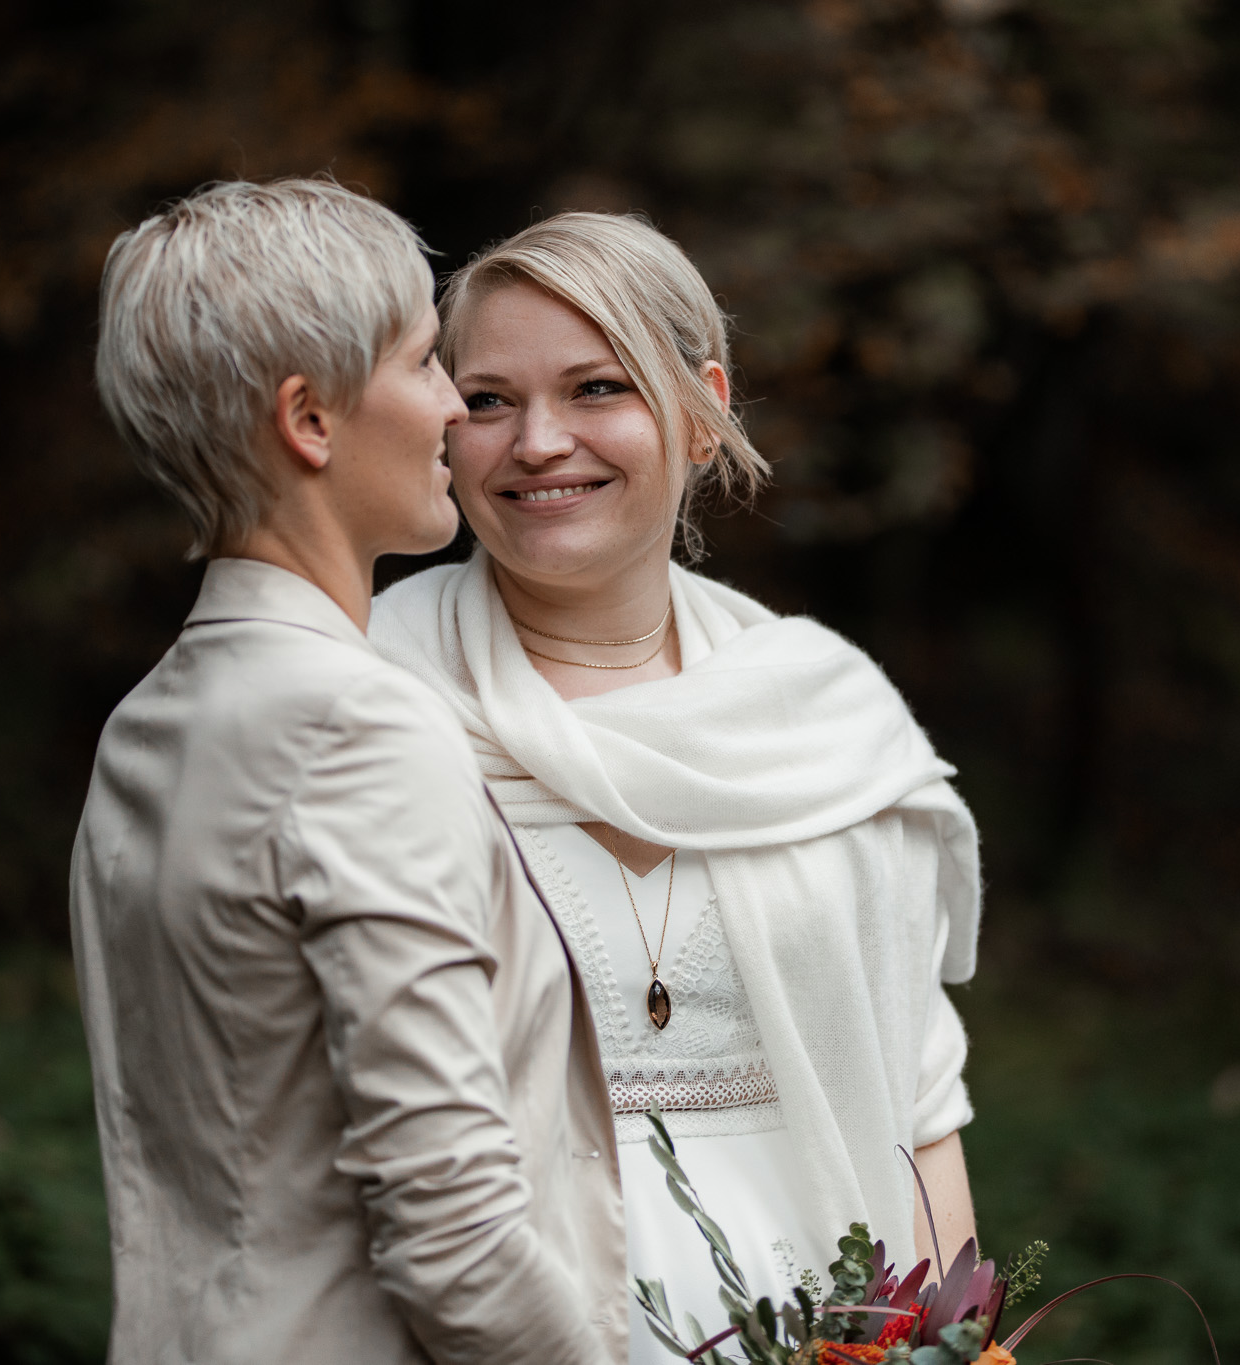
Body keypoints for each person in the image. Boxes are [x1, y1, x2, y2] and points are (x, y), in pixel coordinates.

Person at [369, 212, 982, 1356]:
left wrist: (947, 1353)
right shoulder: (367, 697)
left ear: (700, 413)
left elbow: (919, 1114)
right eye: (488, 400)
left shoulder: (825, 718)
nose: (537, 441)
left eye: (597, 389)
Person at [70, 179, 625, 1365]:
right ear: (309, 420)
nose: (453, 411)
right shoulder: (358, 726)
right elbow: (456, 1238)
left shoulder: (148, 726)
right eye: (427, 363)